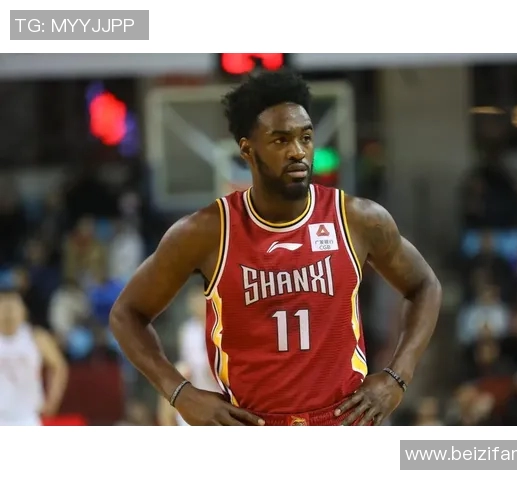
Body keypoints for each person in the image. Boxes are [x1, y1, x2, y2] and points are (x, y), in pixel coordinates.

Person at [110, 69, 442, 426]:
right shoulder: (206, 232)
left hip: (344, 422)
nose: (298, 151)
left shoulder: (358, 219)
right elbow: (126, 314)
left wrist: (397, 376)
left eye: (306, 137)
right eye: (281, 140)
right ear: (247, 150)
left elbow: (425, 286)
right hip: (252, 425)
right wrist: (180, 393)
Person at [0, 287, 69, 426]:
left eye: (13, 307)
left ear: (23, 311)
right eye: (4, 307)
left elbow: (59, 367)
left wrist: (52, 400)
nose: (9, 313)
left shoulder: (36, 337)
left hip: (28, 417)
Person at [157, 287, 220, 426]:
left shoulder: (220, 325)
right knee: (172, 380)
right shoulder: (187, 329)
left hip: (218, 381)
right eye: (193, 300)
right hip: (195, 381)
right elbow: (185, 361)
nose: (195, 303)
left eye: (199, 299)